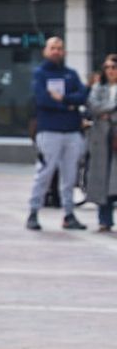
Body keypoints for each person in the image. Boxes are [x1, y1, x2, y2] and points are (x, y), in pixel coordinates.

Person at [29, 36, 90, 231]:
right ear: (45, 51)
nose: (56, 51)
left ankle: (69, 214)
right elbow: (42, 100)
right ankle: (33, 212)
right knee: (45, 173)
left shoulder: (71, 74)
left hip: (72, 132)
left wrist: (62, 99)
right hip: (49, 131)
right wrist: (69, 104)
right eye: (53, 48)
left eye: (60, 48)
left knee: (70, 176)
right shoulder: (40, 74)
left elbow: (83, 96)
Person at [85, 55, 117, 232]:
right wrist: (112, 108)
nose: (111, 71)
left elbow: (101, 110)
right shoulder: (98, 87)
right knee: (102, 180)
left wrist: (107, 113)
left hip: (116, 140)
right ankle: (104, 220)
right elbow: (93, 106)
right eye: (107, 67)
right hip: (101, 140)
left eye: (114, 67)